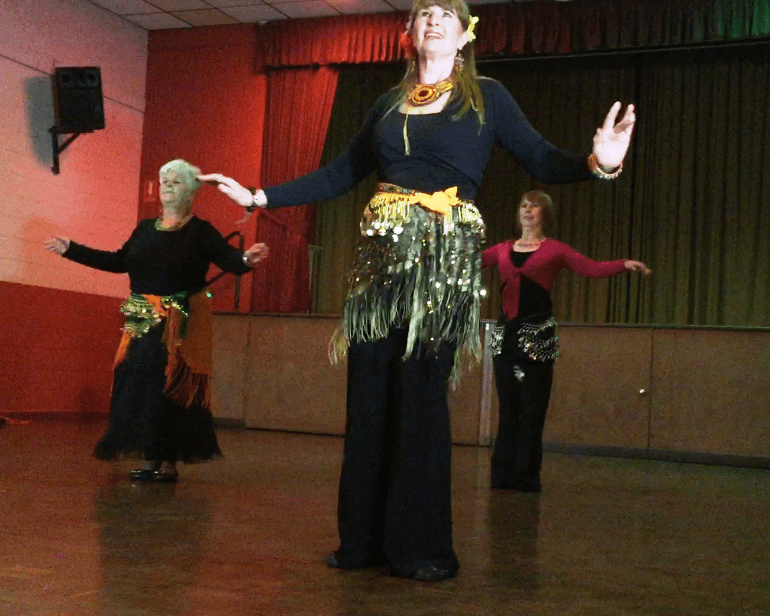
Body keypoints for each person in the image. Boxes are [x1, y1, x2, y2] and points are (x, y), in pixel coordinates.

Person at [198, 0, 635, 582]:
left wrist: (598, 163)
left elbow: (543, 160)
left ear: (463, 35)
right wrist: (259, 197)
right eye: (422, 12)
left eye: (445, 13)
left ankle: (421, 549)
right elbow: (339, 172)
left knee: (422, 398)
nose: (432, 18)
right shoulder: (386, 103)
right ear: (408, 32)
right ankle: (363, 542)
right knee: (370, 392)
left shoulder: (487, 97)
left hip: (441, 264)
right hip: (381, 263)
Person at [45, 159, 268, 483]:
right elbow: (118, 261)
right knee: (138, 384)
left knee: (170, 386)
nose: (167, 187)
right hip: (143, 317)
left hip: (180, 322)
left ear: (190, 192)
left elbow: (230, 260)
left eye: (176, 182)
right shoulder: (144, 229)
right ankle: (151, 457)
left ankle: (169, 461)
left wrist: (247, 259)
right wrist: (72, 250)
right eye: (164, 181)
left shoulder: (200, 231)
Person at [482, 190, 651, 493]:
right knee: (508, 408)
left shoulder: (555, 250)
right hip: (505, 336)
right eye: (523, 205)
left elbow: (592, 268)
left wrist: (624, 264)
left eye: (533, 205)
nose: (527, 210)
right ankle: (502, 475)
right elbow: (468, 263)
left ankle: (526, 476)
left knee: (533, 408)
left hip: (538, 336)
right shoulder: (502, 249)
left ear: (544, 213)